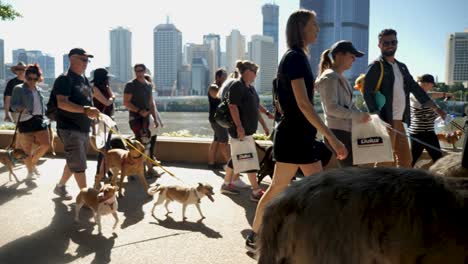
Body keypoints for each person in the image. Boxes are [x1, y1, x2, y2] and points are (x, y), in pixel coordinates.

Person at [246, 9, 348, 252]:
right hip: (295, 136)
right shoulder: (295, 58)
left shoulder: (295, 57)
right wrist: (332, 138)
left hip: (296, 135)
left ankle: (258, 236)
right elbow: (303, 103)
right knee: (303, 189)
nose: (317, 29)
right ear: (301, 27)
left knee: (294, 188)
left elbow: (298, 100)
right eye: (314, 24)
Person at [363, 29, 446, 168]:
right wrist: (376, 115)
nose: (390, 45)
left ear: (397, 43)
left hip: (399, 121)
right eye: (386, 42)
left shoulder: (402, 67)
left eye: (393, 42)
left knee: (406, 161)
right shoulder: (377, 66)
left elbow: (417, 90)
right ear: (379, 45)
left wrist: (438, 110)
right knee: (385, 161)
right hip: (385, 120)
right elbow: (367, 92)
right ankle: (380, 189)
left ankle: (399, 188)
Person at [220, 60, 273, 200]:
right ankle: (256, 191)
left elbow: (256, 105)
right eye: (255, 73)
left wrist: (267, 114)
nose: (256, 75)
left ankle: (226, 184)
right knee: (249, 160)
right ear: (248, 72)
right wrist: (239, 127)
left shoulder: (250, 88)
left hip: (246, 131)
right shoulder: (237, 85)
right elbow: (233, 106)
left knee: (238, 156)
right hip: (240, 131)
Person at [52, 48, 100, 200]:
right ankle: (87, 198)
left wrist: (92, 120)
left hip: (83, 128)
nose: (86, 63)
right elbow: (62, 103)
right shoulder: (64, 79)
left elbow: (87, 102)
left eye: (87, 60)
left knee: (74, 160)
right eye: (83, 59)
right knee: (79, 163)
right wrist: (86, 110)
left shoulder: (84, 79)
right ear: (72, 59)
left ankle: (60, 187)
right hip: (69, 128)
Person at [316, 40, 372, 167]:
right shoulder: (330, 77)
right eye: (352, 56)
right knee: (351, 174)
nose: (354, 60)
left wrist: (363, 115)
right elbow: (331, 108)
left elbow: (349, 105)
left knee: (350, 173)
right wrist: (359, 116)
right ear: (339, 55)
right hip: (338, 132)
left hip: (343, 132)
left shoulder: (338, 77)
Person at [10, 64, 50, 177]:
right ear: (25, 77)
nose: (32, 81)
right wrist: (19, 108)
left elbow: (42, 105)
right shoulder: (18, 88)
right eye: (29, 78)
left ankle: (32, 163)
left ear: (38, 78)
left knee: (46, 144)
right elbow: (13, 105)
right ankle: (30, 171)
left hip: (39, 119)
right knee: (26, 150)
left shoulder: (39, 90)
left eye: (35, 79)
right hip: (25, 120)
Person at [123, 64, 159, 177]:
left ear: (145, 70)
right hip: (135, 118)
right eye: (137, 70)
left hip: (146, 119)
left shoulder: (148, 85)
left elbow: (151, 103)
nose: (139, 72)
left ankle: (146, 169)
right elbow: (126, 102)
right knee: (140, 144)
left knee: (146, 144)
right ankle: (141, 169)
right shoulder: (130, 85)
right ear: (134, 71)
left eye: (141, 70)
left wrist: (155, 118)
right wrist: (138, 111)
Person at [409, 74, 446, 166]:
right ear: (425, 83)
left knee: (438, 158)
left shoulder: (425, 95)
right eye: (432, 84)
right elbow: (427, 103)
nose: (432, 86)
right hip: (418, 133)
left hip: (429, 132)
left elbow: (432, 95)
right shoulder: (414, 95)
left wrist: (446, 94)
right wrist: (440, 112)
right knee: (411, 160)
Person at [91, 68, 115, 180]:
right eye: (106, 77)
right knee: (102, 147)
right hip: (99, 120)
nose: (108, 79)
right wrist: (111, 99)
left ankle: (106, 170)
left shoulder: (106, 86)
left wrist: (111, 98)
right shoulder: (94, 88)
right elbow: (107, 101)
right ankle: (99, 172)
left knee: (107, 147)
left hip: (108, 119)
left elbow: (112, 97)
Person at [207, 68, 229, 169]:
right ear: (218, 77)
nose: (226, 78)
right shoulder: (213, 87)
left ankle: (211, 163)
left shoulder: (224, 87)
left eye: (226, 76)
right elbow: (217, 94)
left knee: (216, 140)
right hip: (217, 120)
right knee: (223, 142)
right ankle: (231, 165)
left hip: (219, 119)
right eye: (224, 77)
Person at [144, 73, 163, 165]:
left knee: (150, 141)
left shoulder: (149, 93)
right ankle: (151, 159)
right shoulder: (147, 93)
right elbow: (153, 109)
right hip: (150, 121)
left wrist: (160, 121)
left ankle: (151, 158)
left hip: (151, 121)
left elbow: (154, 109)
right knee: (151, 142)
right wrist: (158, 120)